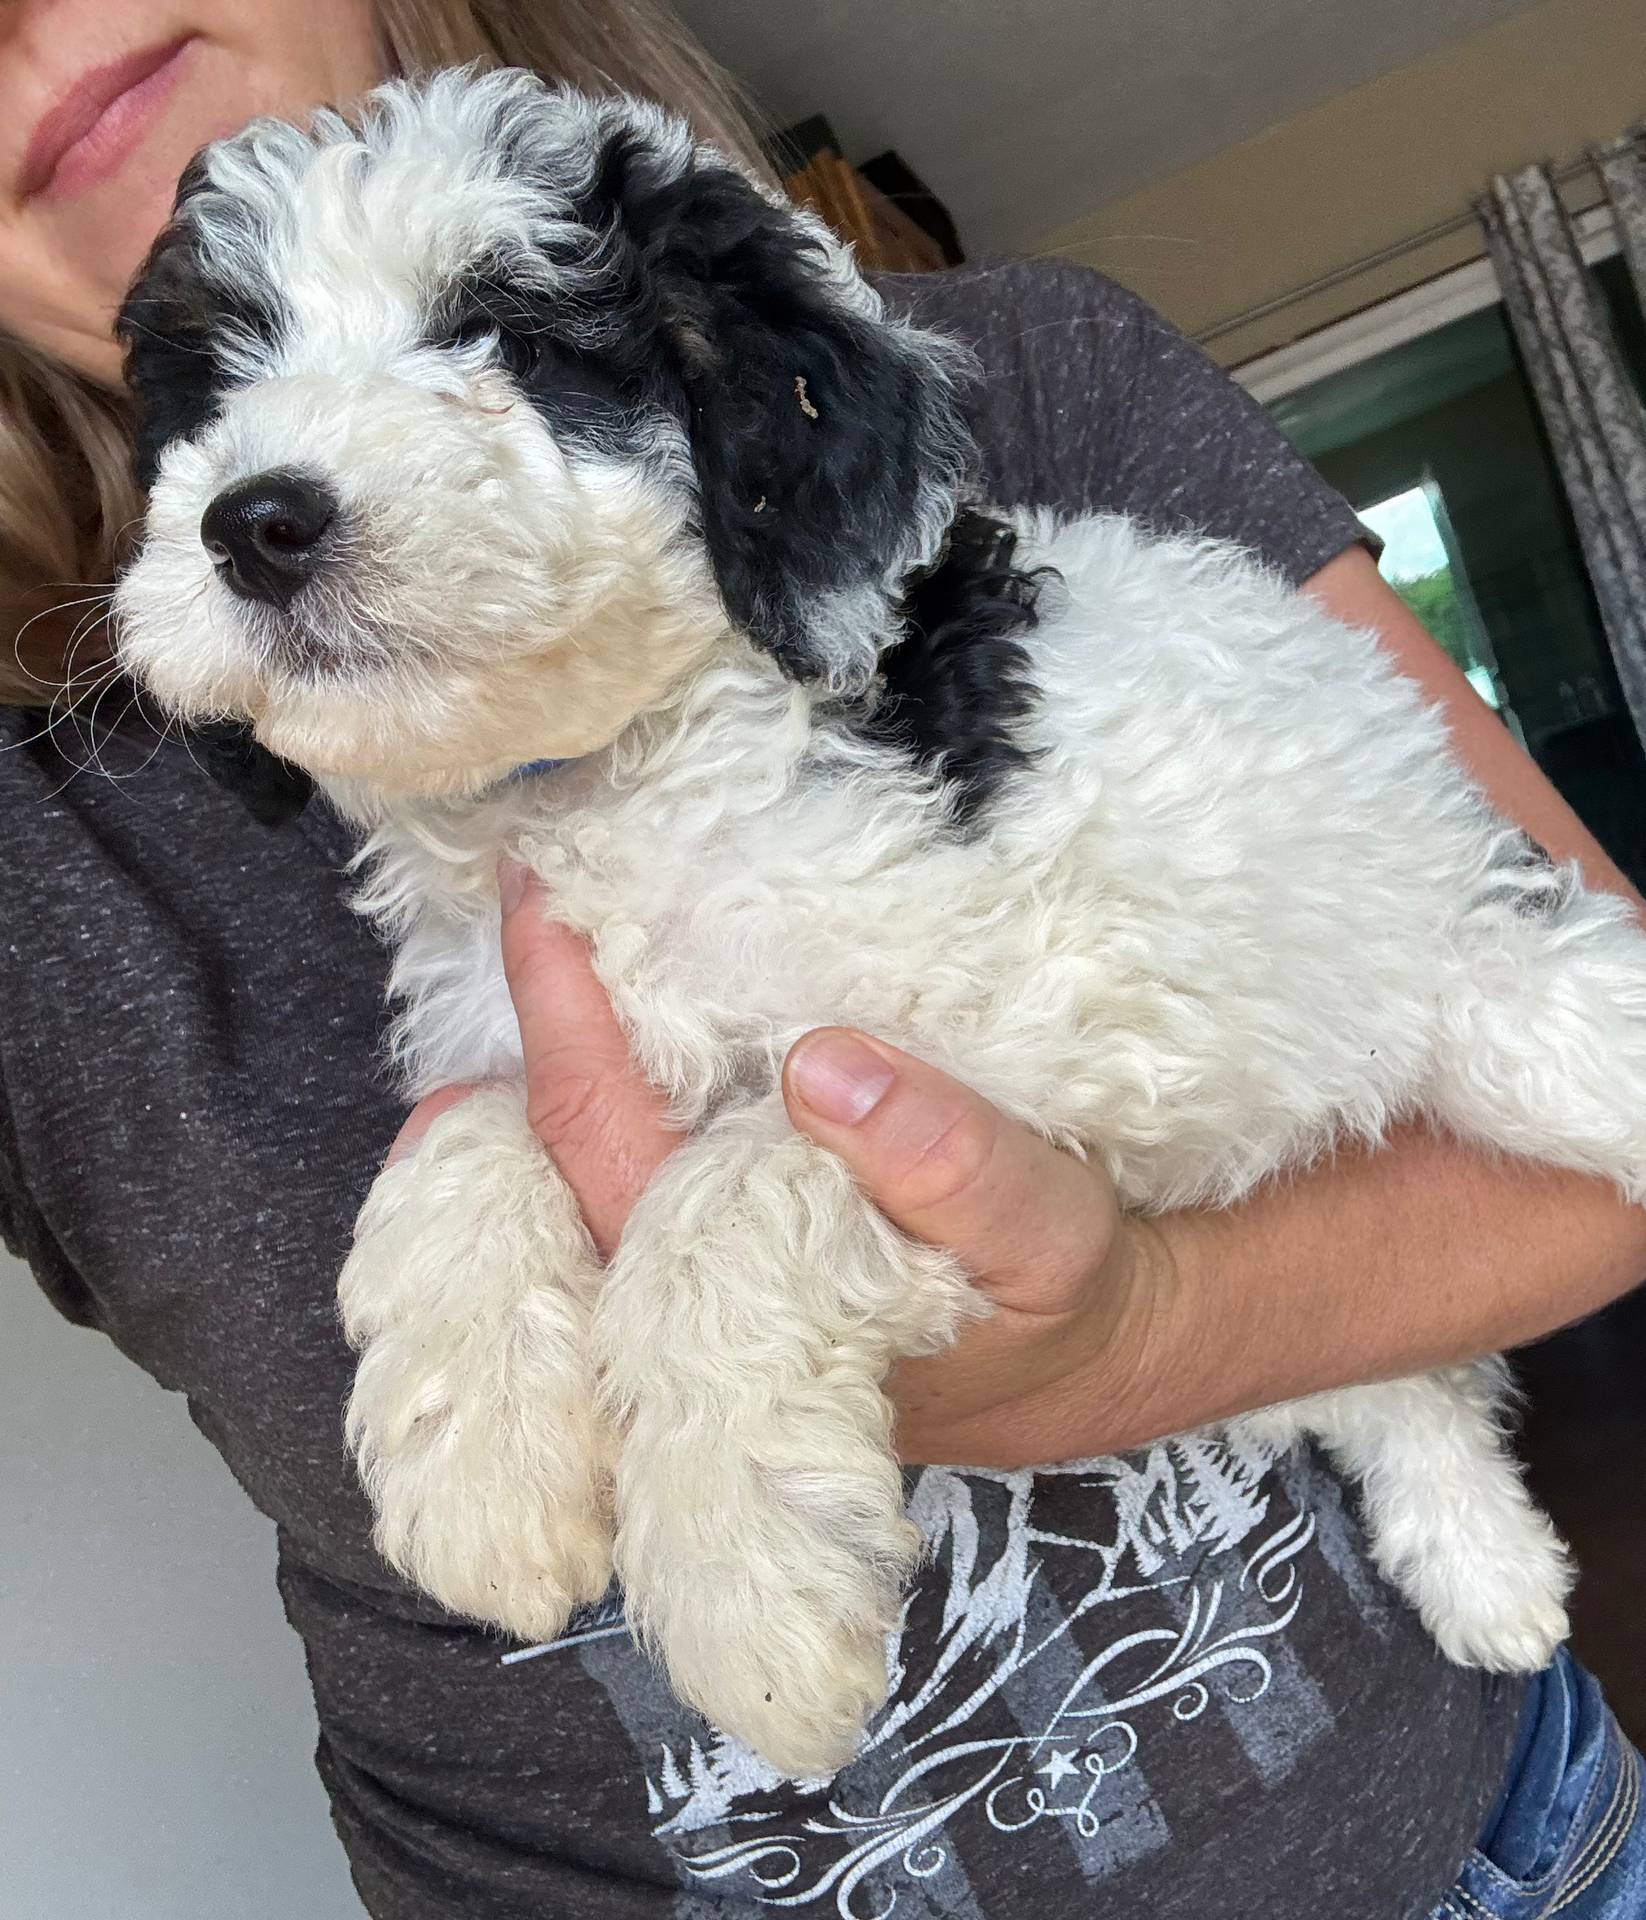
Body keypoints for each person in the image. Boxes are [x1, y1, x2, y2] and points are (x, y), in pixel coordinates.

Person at [2, 2, 1643, 1914]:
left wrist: (1132, 1336)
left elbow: (1561, 1073)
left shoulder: (1010, 420)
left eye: (498, 348)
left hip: (1475, 1848)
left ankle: (1424, 1447)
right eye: (234, 384)